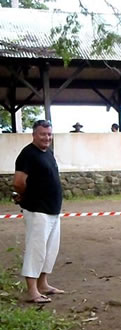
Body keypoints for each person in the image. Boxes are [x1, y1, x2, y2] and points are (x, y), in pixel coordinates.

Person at [13, 120, 64, 304]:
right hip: (37, 210)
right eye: (43, 134)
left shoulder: (48, 153)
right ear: (34, 134)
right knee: (36, 249)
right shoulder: (27, 154)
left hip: (52, 209)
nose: (47, 137)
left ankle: (43, 284)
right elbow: (18, 182)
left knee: (50, 249)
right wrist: (26, 196)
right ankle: (32, 291)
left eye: (49, 134)